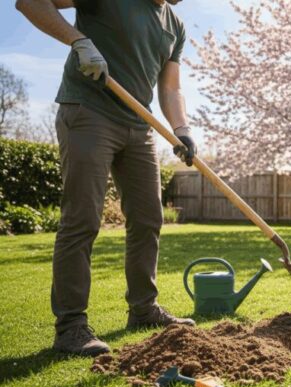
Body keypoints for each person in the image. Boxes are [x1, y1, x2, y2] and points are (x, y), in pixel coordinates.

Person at [16, 0, 199, 356]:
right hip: (89, 111)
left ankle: (143, 309)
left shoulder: (175, 26)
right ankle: (71, 327)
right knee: (82, 219)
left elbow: (171, 86)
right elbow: (30, 2)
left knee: (148, 219)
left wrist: (182, 129)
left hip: (138, 122)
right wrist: (78, 41)